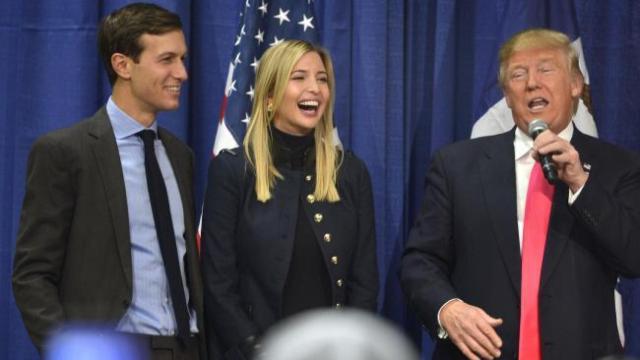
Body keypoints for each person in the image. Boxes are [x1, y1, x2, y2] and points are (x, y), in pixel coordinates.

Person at [400, 28, 640, 360]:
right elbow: (420, 261)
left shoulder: (618, 166)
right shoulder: (456, 166)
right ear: (507, 95)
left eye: (545, 69)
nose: (531, 82)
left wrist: (581, 183)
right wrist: (448, 310)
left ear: (575, 84)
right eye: (518, 74)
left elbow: (632, 258)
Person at [12, 3, 207, 359]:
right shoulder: (65, 152)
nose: (182, 72)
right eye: (167, 59)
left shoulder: (181, 156)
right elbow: (33, 275)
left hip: (186, 347)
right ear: (122, 65)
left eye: (183, 59)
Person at [201, 40, 378, 359]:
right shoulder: (232, 171)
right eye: (299, 78)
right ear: (269, 97)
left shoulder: (350, 172)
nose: (315, 89)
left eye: (322, 79)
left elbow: (364, 283)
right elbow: (217, 284)